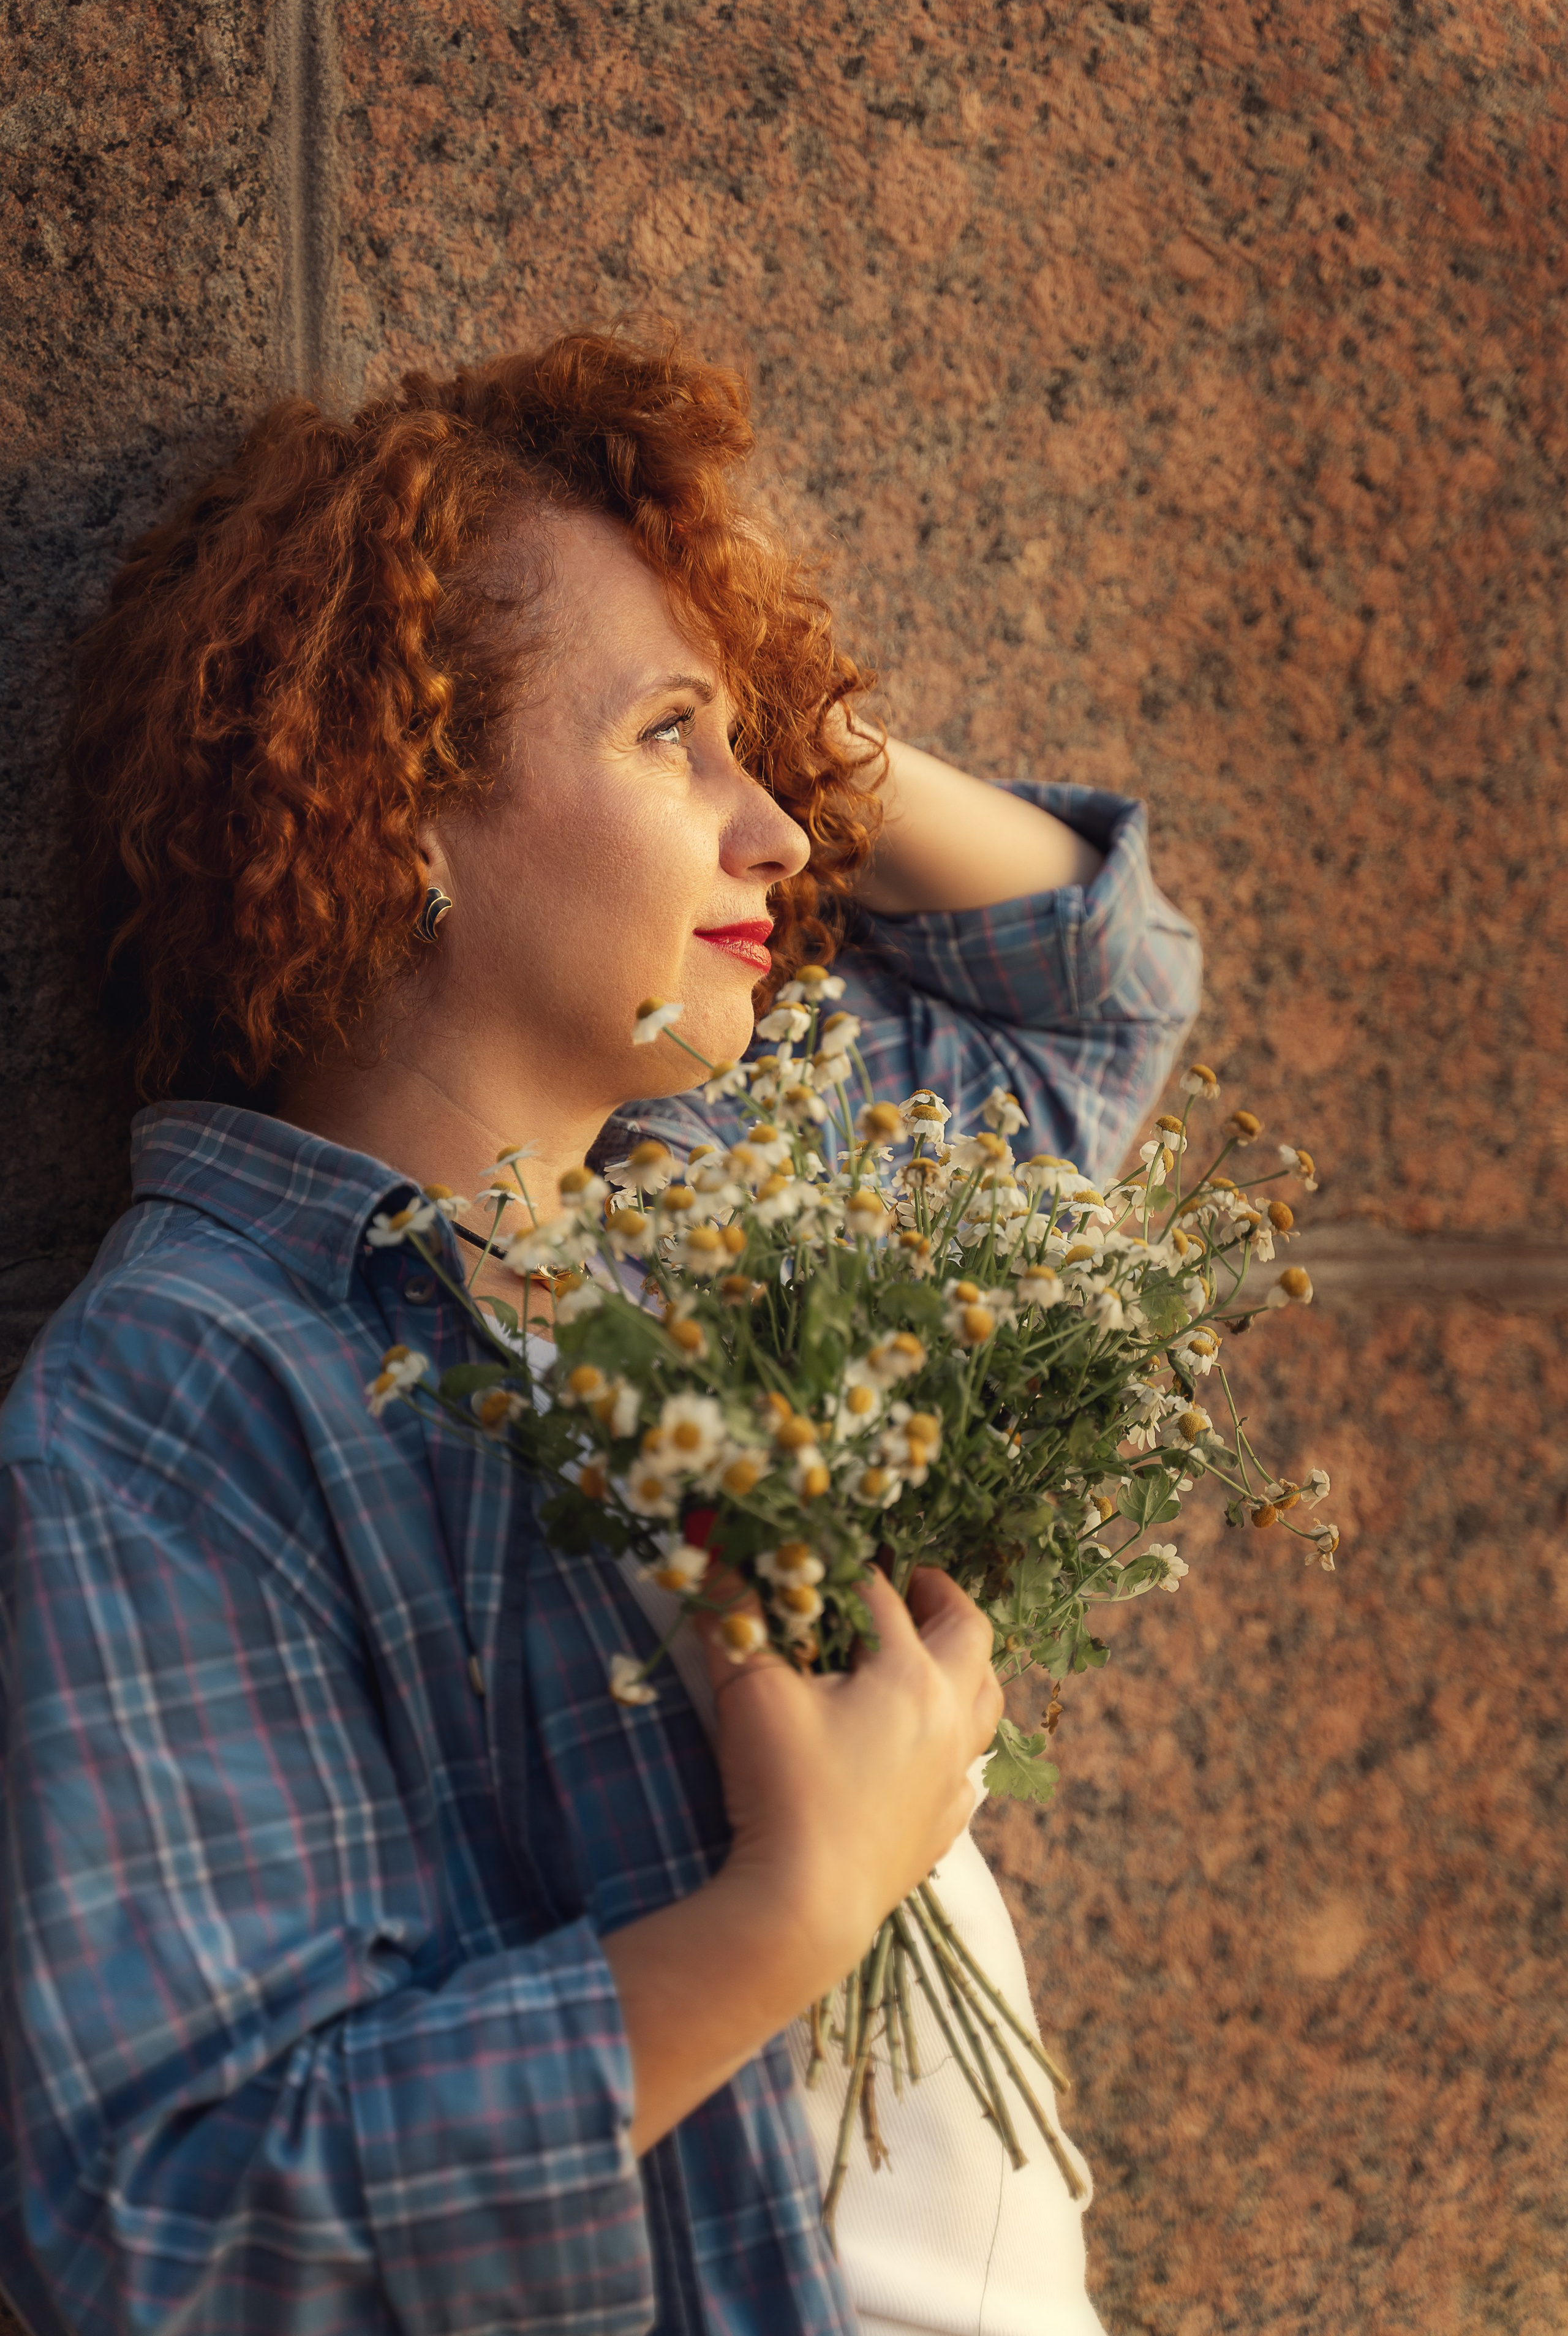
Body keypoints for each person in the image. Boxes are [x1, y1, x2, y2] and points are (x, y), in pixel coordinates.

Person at [0, 334, 1200, 2336]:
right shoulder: (181, 1402)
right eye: (673, 745)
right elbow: (167, 2229)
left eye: (764, 763)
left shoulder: (712, 1195)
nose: (788, 839)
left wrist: (775, 713)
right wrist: (789, 1913)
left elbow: (1087, 987)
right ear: (396, 805)